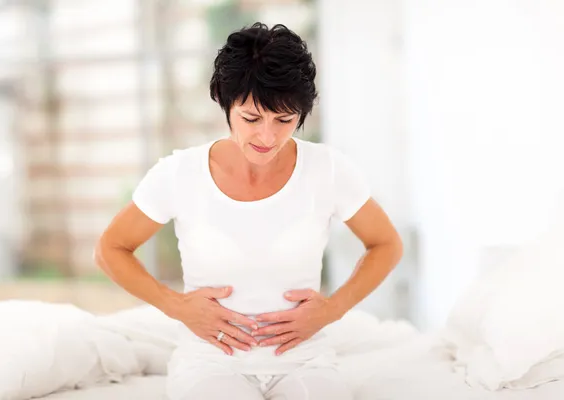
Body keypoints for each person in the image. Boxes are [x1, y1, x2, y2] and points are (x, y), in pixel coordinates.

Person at [95, 22, 403, 400]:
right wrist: (176, 306)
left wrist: (332, 309)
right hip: (210, 362)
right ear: (227, 106)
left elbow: (386, 244)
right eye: (252, 118)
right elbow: (110, 249)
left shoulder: (328, 169)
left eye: (285, 121)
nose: (267, 137)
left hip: (304, 360)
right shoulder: (179, 173)